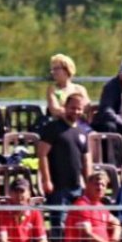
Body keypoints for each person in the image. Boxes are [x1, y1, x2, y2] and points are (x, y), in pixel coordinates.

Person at [38, 92, 91, 228]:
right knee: (59, 226)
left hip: (77, 187)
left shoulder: (82, 131)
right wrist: (46, 180)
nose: (76, 111)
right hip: (58, 188)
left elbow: (86, 159)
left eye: (79, 108)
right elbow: (42, 154)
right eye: (73, 108)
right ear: (65, 107)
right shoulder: (53, 128)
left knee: (76, 226)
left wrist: (88, 183)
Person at [46, 54, 90, 121]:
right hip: (60, 124)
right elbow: (55, 110)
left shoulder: (80, 89)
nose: (52, 72)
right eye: (52, 69)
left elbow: (87, 108)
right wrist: (73, 113)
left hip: (79, 123)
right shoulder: (52, 89)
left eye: (56, 69)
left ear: (67, 69)